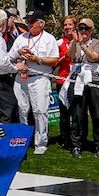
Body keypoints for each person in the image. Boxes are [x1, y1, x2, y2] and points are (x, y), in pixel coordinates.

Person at [7, 10, 60, 155]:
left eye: (32, 21)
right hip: (22, 77)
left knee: (40, 111)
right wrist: (19, 52)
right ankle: (23, 140)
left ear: (41, 24)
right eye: (28, 21)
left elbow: (55, 60)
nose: (29, 24)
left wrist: (38, 59)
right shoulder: (22, 37)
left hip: (39, 78)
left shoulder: (49, 39)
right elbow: (9, 57)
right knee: (22, 110)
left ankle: (41, 142)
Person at [64, 18, 99, 159]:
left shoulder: (98, 43)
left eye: (86, 29)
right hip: (78, 80)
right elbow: (70, 56)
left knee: (97, 114)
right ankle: (77, 144)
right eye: (81, 29)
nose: (84, 31)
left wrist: (83, 45)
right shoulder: (76, 43)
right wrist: (75, 41)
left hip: (94, 81)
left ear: (92, 30)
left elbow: (94, 57)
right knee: (77, 114)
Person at [55, 15, 76, 150]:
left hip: (77, 81)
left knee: (77, 111)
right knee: (64, 112)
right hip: (63, 79)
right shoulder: (58, 42)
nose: (67, 27)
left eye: (70, 24)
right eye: (65, 25)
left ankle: (77, 138)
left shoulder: (80, 40)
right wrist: (65, 56)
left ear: (75, 26)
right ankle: (65, 139)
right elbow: (55, 62)